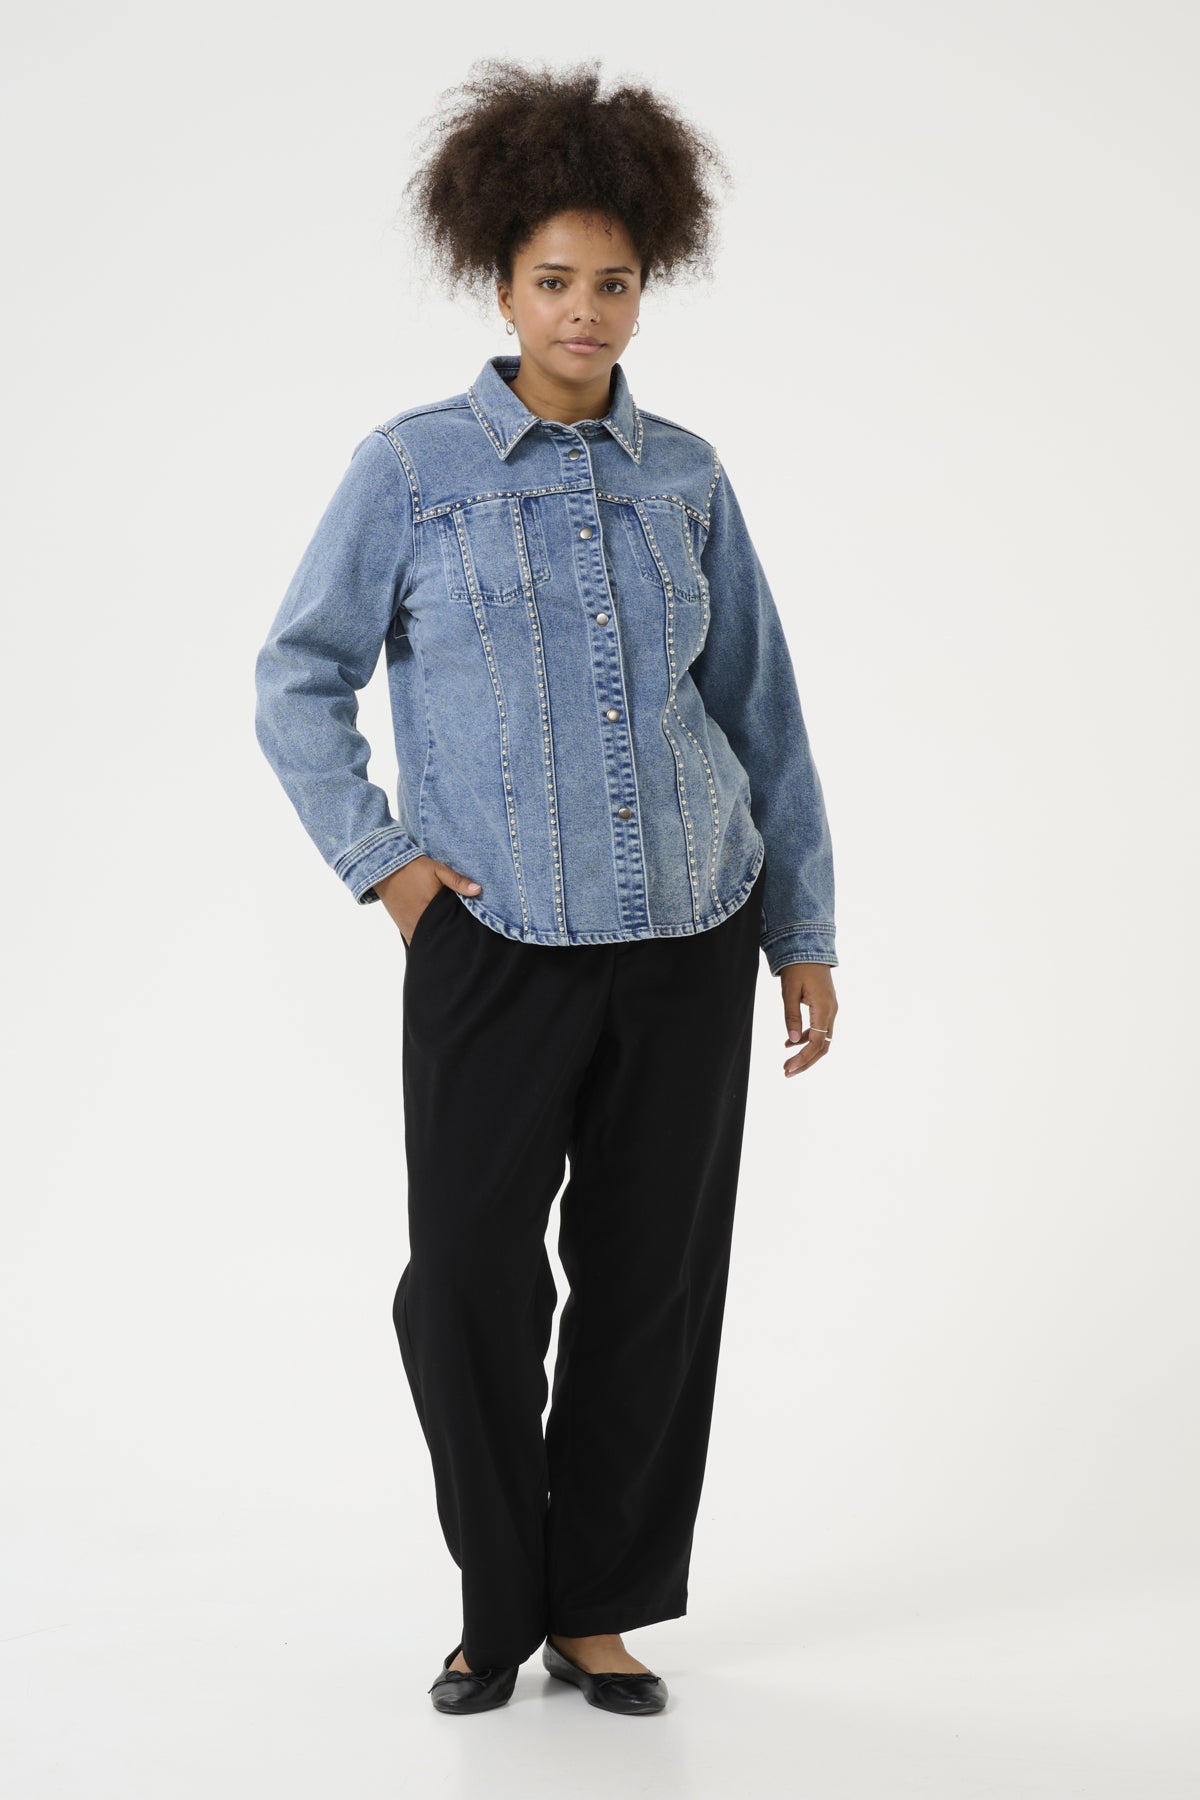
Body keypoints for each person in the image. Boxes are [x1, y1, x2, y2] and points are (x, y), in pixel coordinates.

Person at [253, 56, 839, 1717]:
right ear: (500, 282)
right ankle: (495, 1600)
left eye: (616, 283)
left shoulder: (688, 477)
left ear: (650, 284)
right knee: (465, 1285)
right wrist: (389, 871)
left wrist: (801, 930)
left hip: (693, 929)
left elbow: (762, 712)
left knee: (651, 1284)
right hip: (493, 940)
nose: (586, 312)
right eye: (556, 281)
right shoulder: (411, 469)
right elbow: (297, 676)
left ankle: (599, 1609)